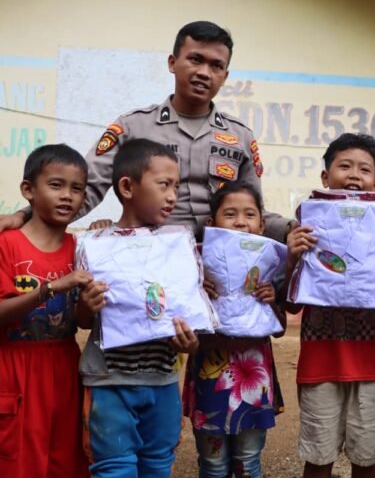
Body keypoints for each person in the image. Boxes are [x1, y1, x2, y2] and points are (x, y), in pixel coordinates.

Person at [0, 21, 291, 242]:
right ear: (172, 63)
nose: (204, 72)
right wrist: (24, 216)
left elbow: (254, 210)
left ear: (224, 77)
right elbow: (85, 189)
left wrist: (292, 228)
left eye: (216, 66)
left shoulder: (240, 137)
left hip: (218, 268)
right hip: (147, 260)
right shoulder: (133, 127)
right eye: (195, 59)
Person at [282, 133, 375, 478]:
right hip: (320, 362)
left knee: (367, 460)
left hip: (373, 366)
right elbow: (290, 306)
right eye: (345, 166)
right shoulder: (307, 227)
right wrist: (292, 257)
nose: (354, 175)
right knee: (318, 458)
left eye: (364, 169)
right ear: (325, 177)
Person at [76, 138, 200, 477]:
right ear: (127, 187)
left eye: (176, 186)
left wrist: (190, 343)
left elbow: (189, 319)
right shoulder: (97, 245)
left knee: (158, 465)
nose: (172, 196)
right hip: (109, 382)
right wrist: (86, 305)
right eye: (164, 185)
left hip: (162, 381)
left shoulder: (178, 248)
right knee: (114, 468)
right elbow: (83, 320)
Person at [0, 144, 92, 478]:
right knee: (17, 463)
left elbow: (84, 321)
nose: (67, 195)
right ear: (28, 190)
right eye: (56, 185)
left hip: (65, 367)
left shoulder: (82, 249)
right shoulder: (7, 242)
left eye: (76, 188)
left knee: (66, 461)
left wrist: (89, 302)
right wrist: (50, 288)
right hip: (14, 367)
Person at [184, 181, 285, 478]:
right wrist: (196, 291)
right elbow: (183, 321)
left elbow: (279, 329)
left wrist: (272, 300)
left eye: (249, 214)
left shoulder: (270, 264)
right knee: (213, 464)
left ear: (262, 225)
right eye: (230, 214)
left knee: (248, 460)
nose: (241, 221)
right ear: (211, 223)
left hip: (254, 377)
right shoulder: (193, 264)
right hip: (210, 375)